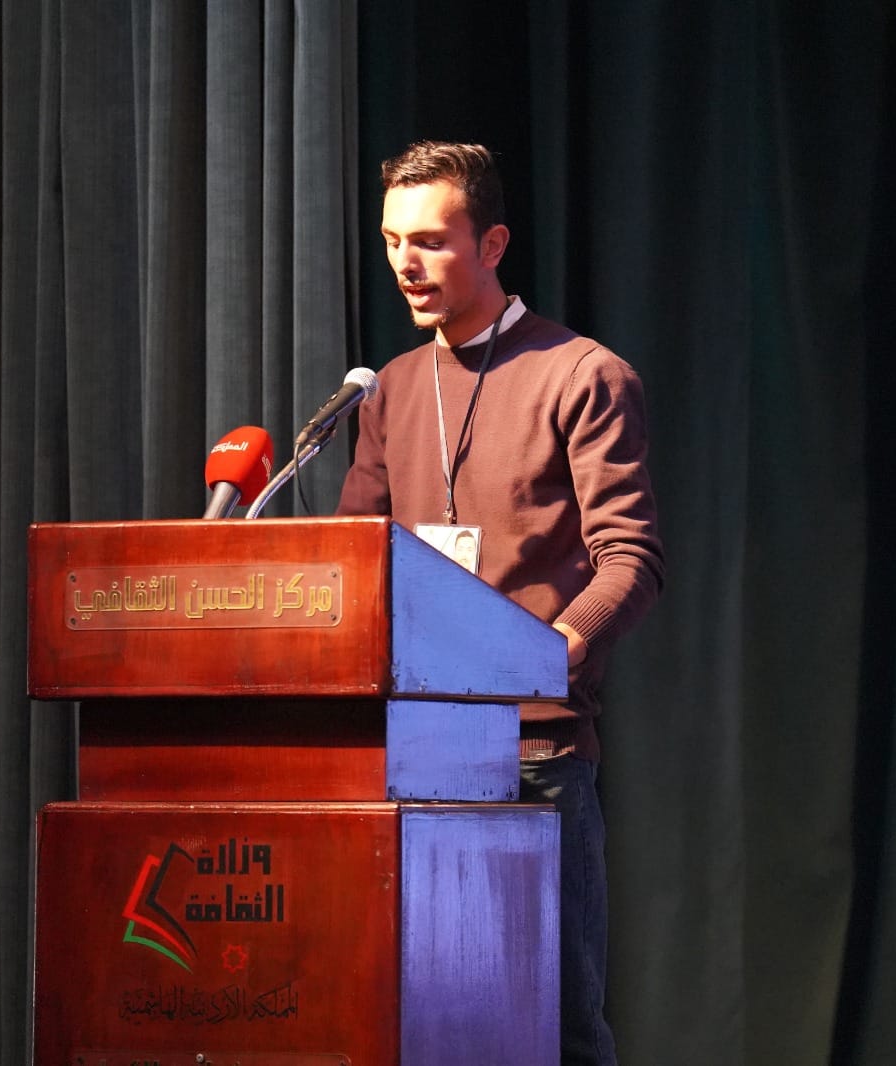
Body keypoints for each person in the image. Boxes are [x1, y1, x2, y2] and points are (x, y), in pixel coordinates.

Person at [335, 141, 665, 1066]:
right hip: (410, 754)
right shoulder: (391, 390)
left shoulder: (583, 374)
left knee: (555, 1030)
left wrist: (550, 650)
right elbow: (353, 561)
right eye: (393, 241)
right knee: (423, 1029)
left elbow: (631, 561)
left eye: (431, 241)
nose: (406, 263)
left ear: (492, 244)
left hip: (534, 754)